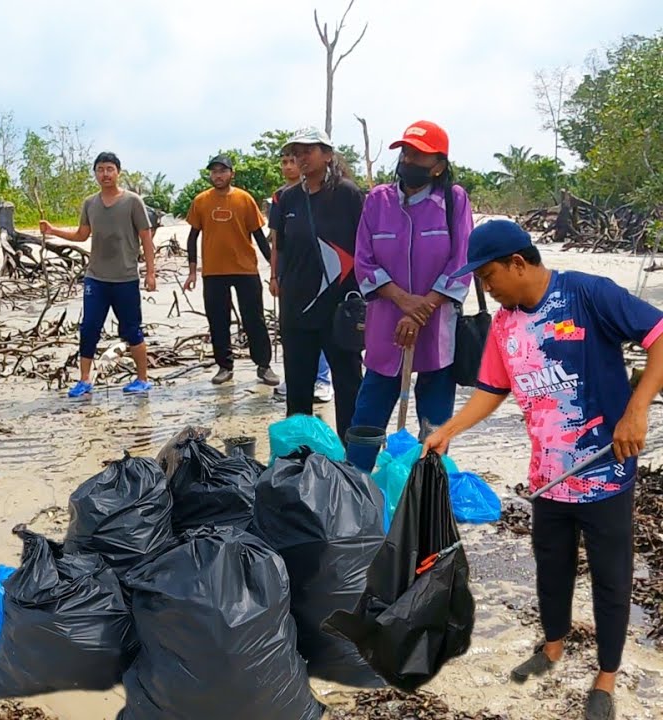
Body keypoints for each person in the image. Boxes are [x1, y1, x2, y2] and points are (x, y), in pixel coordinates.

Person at [424, 219, 663, 720]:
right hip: (547, 477)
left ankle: (606, 675)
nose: (485, 289)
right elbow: (493, 389)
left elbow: (659, 335)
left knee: (611, 578)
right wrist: (450, 429)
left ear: (518, 262)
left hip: (604, 471)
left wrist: (637, 409)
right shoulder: (503, 324)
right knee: (551, 569)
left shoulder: (587, 293)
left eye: (488, 276)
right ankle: (552, 646)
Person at [347, 121, 472, 471]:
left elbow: (461, 262)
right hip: (387, 324)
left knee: (434, 421)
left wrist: (421, 311)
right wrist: (404, 303)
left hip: (437, 326)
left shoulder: (454, 201)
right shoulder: (377, 201)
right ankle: (355, 485)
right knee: (369, 412)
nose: (409, 159)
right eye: (406, 152)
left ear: (438, 165)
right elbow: (364, 261)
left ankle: (425, 487)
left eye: (418, 154)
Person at [269, 127, 365, 440]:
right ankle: (297, 460)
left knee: (349, 384)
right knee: (297, 388)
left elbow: (365, 246)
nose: (300, 157)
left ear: (327, 154)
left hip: (341, 309)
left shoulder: (348, 194)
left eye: (308, 150)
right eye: (296, 151)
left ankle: (355, 460)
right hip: (296, 308)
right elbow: (279, 246)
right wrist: (274, 278)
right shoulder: (286, 199)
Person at [41, 151, 157, 397]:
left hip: (126, 277)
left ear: (118, 172)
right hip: (96, 278)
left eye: (109, 169)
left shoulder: (133, 201)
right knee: (90, 328)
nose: (105, 174)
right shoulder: (90, 203)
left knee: (132, 329)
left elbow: (146, 238)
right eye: (100, 169)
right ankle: (84, 380)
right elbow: (82, 235)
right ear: (95, 173)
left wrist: (150, 273)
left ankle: (142, 378)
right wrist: (53, 230)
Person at [182, 154, 279, 387]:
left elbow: (259, 236)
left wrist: (275, 270)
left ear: (231, 173)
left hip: (245, 270)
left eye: (222, 171)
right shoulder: (201, 201)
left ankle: (264, 366)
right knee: (218, 320)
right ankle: (225, 367)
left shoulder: (244, 199)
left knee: (253, 319)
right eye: (214, 171)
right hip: (213, 272)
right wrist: (192, 271)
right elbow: (192, 237)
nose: (218, 175)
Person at [269, 145, 333, 403]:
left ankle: (324, 379)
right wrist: (274, 276)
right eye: (285, 161)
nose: (289, 165)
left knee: (329, 333)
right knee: (297, 342)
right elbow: (277, 241)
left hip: (330, 284)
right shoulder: (282, 197)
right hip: (293, 283)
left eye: (291, 161)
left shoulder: (341, 194)